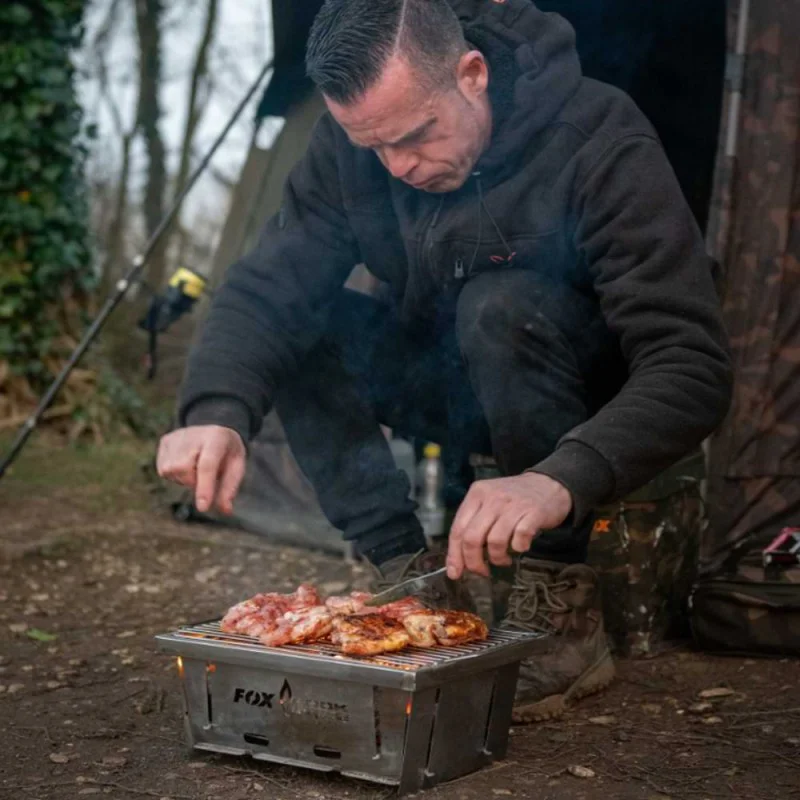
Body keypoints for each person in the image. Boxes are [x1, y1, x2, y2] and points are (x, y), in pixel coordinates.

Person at [157, 0, 733, 723]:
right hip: (451, 384)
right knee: (303, 326)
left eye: (416, 135)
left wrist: (559, 478)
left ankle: (561, 604)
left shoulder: (595, 135)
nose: (399, 165)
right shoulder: (355, 151)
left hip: (586, 402)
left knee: (498, 305)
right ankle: (410, 575)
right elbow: (270, 284)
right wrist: (215, 410)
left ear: (472, 74)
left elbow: (693, 362)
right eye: (375, 147)